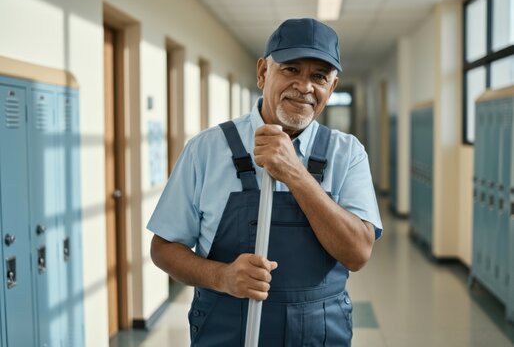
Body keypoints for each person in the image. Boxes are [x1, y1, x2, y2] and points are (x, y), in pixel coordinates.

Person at [148, 18, 383, 346]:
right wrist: (223, 276)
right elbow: (163, 248)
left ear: (332, 86)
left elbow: (358, 253)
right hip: (226, 329)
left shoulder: (348, 154)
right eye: (291, 69)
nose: (304, 86)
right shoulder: (206, 149)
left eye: (319, 76)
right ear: (262, 72)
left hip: (320, 332)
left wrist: (295, 174)